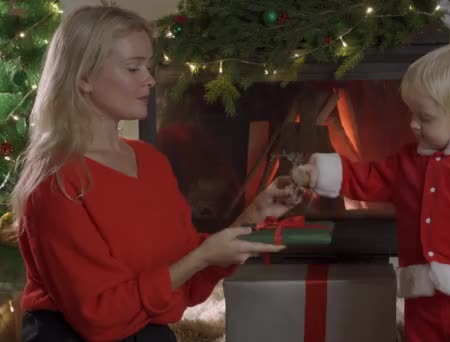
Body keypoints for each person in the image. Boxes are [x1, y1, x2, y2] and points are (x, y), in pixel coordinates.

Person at [11, 5, 301, 342]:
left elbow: (183, 271)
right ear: (84, 78)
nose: (149, 79)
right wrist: (200, 257)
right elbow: (99, 317)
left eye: (148, 67)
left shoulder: (150, 161)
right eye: (133, 68)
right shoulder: (57, 181)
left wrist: (253, 215)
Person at [292, 44, 450, 342]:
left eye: (426, 117)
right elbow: (369, 178)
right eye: (412, 114)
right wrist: (322, 172)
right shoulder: (408, 161)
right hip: (422, 298)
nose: (413, 124)